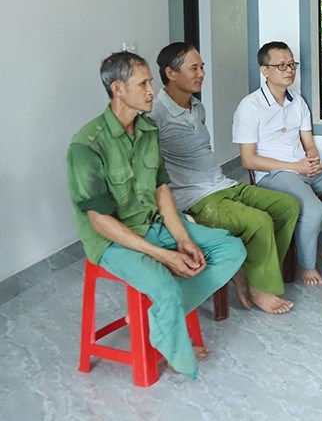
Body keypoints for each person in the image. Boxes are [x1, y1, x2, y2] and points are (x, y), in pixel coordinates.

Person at [67, 52, 247, 379]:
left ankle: (159, 318)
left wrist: (182, 239)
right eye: (144, 84)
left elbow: (162, 190)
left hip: (153, 225)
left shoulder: (148, 130)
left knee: (230, 248)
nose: (152, 90)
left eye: (150, 82)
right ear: (118, 89)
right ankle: (173, 341)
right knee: (164, 284)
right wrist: (164, 255)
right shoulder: (88, 145)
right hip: (111, 241)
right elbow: (99, 221)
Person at [150, 42, 300, 315]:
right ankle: (260, 287)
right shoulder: (154, 114)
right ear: (171, 73)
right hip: (195, 198)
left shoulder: (196, 106)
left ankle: (254, 275)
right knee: (258, 221)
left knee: (287, 206)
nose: (201, 74)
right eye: (194, 68)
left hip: (222, 184)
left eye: (202, 67)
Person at [233, 41, 322, 285]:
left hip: (303, 168)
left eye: (292, 64)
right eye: (281, 65)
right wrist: (295, 167)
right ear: (264, 70)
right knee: (312, 209)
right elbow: (248, 160)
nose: (289, 70)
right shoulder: (250, 106)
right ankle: (306, 265)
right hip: (274, 174)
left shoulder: (297, 102)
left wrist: (311, 160)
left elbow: (308, 143)